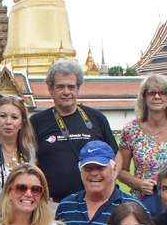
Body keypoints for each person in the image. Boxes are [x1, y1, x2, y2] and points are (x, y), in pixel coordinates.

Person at [31, 59, 117, 202]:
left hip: (98, 201)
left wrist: (111, 181)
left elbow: (115, 156)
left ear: (78, 89)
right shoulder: (37, 122)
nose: (66, 92)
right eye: (60, 87)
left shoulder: (96, 118)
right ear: (51, 90)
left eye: (71, 87)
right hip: (53, 204)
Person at [117, 75, 167, 215]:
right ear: (143, 97)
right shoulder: (131, 130)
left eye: (162, 92)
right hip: (144, 201)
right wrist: (138, 184)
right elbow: (121, 170)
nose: (156, 96)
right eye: (151, 92)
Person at [0, 95, 36, 188]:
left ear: (22, 123)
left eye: (14, 117)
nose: (8, 122)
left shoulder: (29, 151)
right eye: (3, 116)